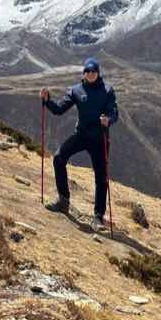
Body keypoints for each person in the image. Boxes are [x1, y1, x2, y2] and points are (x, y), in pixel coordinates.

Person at [40, 57, 119, 232]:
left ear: (98, 74)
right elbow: (60, 109)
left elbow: (114, 112)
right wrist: (47, 101)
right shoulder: (76, 90)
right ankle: (63, 201)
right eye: (87, 71)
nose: (90, 74)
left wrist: (109, 120)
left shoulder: (107, 91)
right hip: (82, 135)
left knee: (101, 178)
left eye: (94, 72)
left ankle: (98, 217)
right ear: (83, 73)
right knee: (59, 158)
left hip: (100, 139)